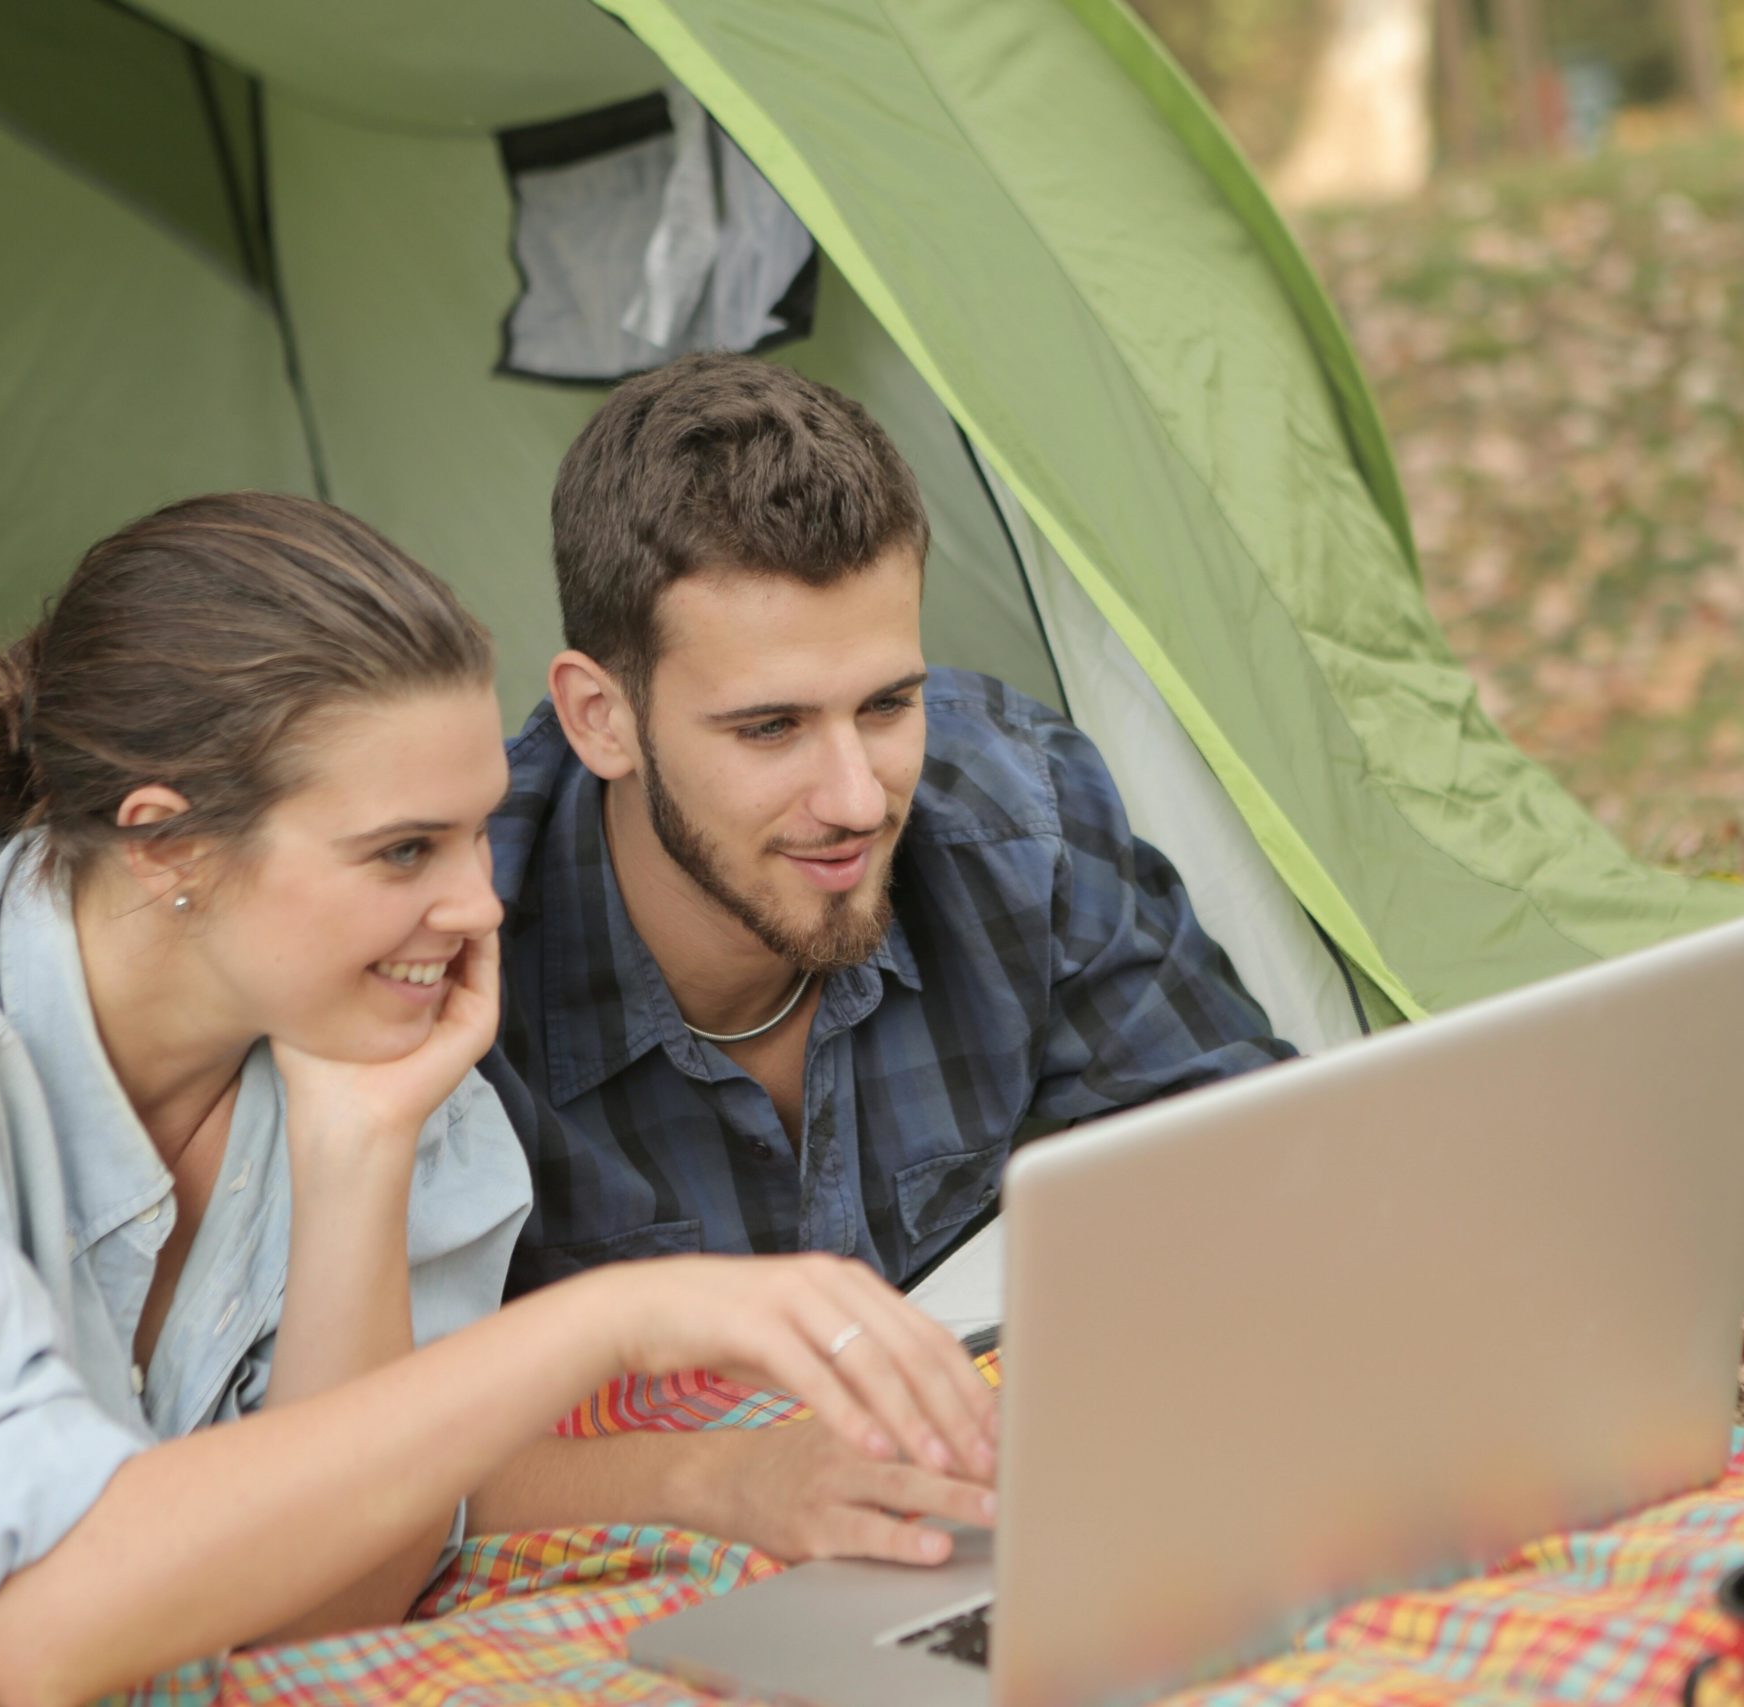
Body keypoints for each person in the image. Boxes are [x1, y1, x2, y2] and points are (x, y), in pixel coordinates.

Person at [0, 494, 994, 1706]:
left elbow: (333, 1604)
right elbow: (37, 1625)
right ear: (166, 841)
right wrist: (615, 1317)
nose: (478, 905)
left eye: (476, 829)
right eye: (403, 850)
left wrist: (358, 1148)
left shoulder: (342, 1019)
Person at [475, 357, 1291, 1562]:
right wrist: (720, 1479)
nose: (856, 799)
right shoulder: (452, 951)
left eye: (888, 704)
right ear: (602, 718)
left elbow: (1257, 1170)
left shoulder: (1015, 811)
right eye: (770, 728)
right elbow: (353, 1455)